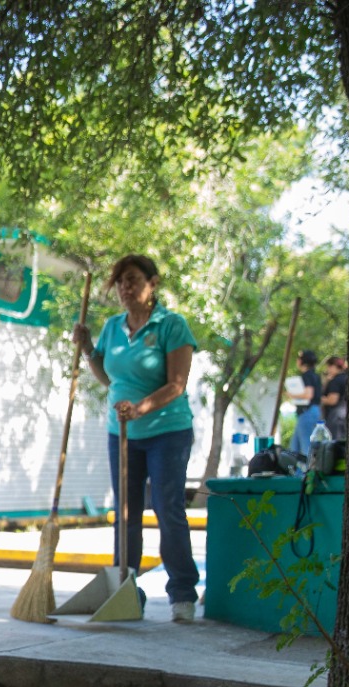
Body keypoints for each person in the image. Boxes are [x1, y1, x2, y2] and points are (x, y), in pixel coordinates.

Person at [72, 255, 201, 623]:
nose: (125, 287)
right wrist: (87, 348)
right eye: (120, 282)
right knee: (125, 514)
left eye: (132, 279)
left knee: (166, 508)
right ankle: (126, 592)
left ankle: (182, 594)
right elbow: (109, 378)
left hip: (167, 431)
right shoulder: (113, 327)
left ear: (152, 283)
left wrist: (141, 408)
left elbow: (176, 385)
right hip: (123, 432)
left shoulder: (171, 325)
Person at [287, 349, 323, 453]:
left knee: (305, 447)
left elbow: (308, 394)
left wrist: (292, 394)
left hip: (307, 411)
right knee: (295, 447)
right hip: (313, 410)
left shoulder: (307, 375)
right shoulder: (315, 375)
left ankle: (307, 464)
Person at [320, 355, 348, 440]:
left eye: (328, 367)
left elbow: (332, 400)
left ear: (332, 366)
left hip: (335, 416)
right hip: (345, 413)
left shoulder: (335, 381)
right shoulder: (346, 378)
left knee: (334, 442)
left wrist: (319, 398)